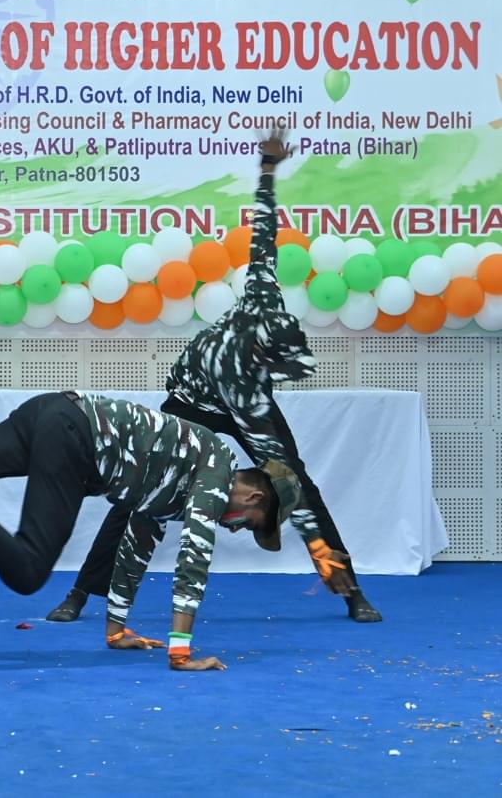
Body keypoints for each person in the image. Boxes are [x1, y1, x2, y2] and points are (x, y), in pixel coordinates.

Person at [45, 129, 380, 625]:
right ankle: (82, 592)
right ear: (261, 354)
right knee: (143, 491)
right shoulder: (243, 385)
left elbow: (263, 235)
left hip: (238, 403)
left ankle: (346, 586)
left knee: (299, 484)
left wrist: (267, 174)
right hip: (192, 401)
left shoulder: (263, 302)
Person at [0, 391, 354, 671]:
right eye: (249, 524)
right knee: (28, 569)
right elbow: (194, 561)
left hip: (52, 411)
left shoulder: (175, 485)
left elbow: (136, 546)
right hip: (73, 437)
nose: (236, 529)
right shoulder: (217, 468)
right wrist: (181, 654)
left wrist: (116, 627)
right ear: (254, 498)